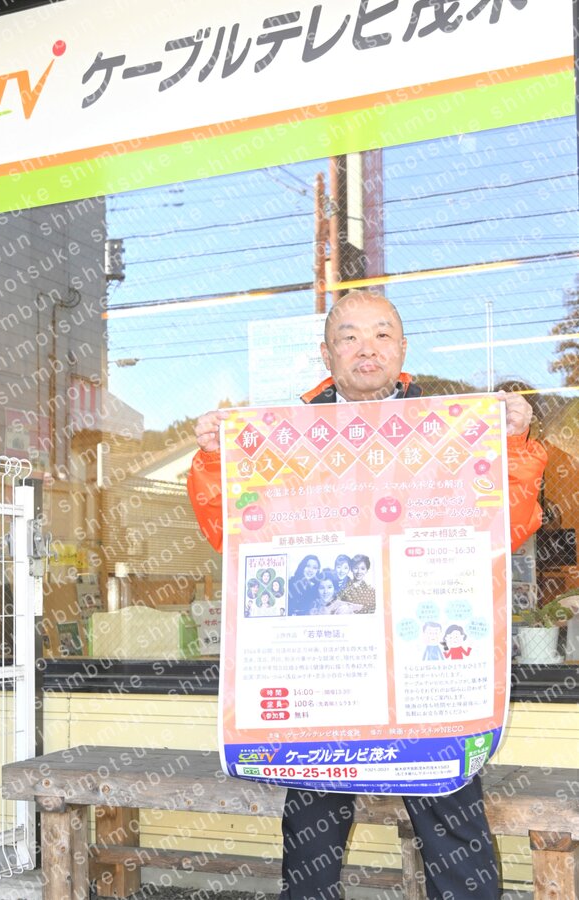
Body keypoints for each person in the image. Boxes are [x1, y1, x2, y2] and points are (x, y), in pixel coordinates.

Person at [187, 290, 547, 900]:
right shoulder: (285, 436)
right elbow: (234, 534)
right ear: (326, 352)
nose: (366, 348)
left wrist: (510, 445)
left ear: (402, 348)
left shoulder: (448, 427)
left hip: (424, 664)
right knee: (311, 828)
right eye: (349, 336)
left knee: (451, 814)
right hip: (326, 663)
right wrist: (214, 458)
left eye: (381, 334)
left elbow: (506, 526)